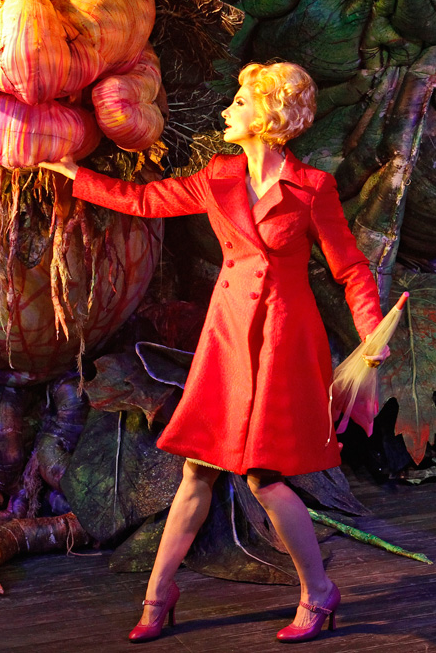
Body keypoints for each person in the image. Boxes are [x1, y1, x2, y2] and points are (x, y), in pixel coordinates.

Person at [43, 62, 387, 644]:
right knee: (197, 468)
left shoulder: (311, 189)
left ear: (269, 115)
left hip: (282, 342)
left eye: (240, 101)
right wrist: (78, 175)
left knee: (264, 478)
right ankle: (157, 595)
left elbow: (351, 269)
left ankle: (318, 592)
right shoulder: (219, 176)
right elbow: (147, 200)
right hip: (228, 337)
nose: (228, 110)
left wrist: (372, 333)